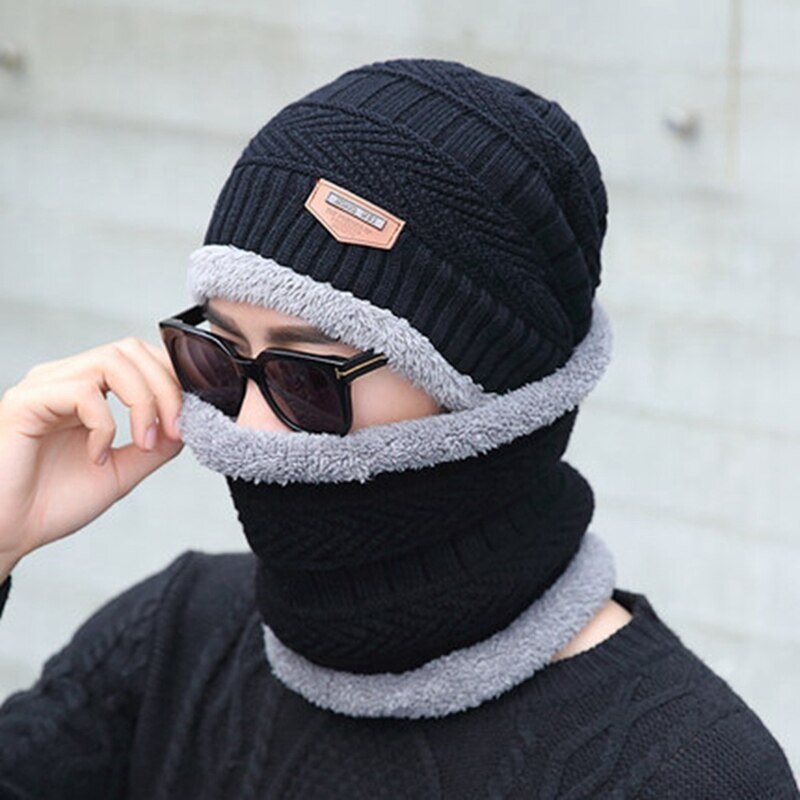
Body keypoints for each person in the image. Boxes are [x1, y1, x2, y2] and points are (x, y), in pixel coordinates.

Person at [0, 57, 797, 799]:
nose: (247, 428)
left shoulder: (687, 773)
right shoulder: (174, 638)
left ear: (491, 400)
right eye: (216, 356)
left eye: (304, 378)